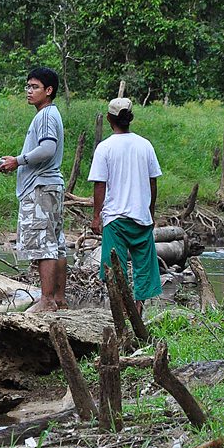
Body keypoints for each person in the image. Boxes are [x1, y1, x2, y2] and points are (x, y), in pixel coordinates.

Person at [0, 67, 67, 312]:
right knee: (56, 243)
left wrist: (18, 160)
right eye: (28, 86)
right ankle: (58, 299)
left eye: (35, 87)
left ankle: (47, 301)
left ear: (49, 91)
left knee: (44, 244)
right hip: (51, 187)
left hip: (40, 189)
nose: (29, 91)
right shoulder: (48, 114)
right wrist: (15, 162)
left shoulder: (46, 115)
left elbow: (48, 149)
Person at [88, 97, 163, 313]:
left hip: (115, 219)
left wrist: (96, 216)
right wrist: (151, 211)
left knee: (113, 268)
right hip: (140, 217)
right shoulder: (145, 145)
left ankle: (121, 311)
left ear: (110, 118)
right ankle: (138, 310)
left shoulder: (105, 148)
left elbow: (100, 185)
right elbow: (153, 182)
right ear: (130, 118)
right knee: (143, 268)